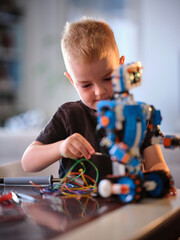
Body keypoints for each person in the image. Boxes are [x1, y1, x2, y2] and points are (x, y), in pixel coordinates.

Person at [21, 17, 169, 182]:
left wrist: (157, 179)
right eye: (86, 85)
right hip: (75, 206)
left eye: (107, 78)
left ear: (121, 67)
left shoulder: (138, 116)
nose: (99, 92)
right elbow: (28, 162)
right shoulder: (69, 115)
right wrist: (61, 147)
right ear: (72, 81)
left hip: (128, 204)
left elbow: (157, 166)